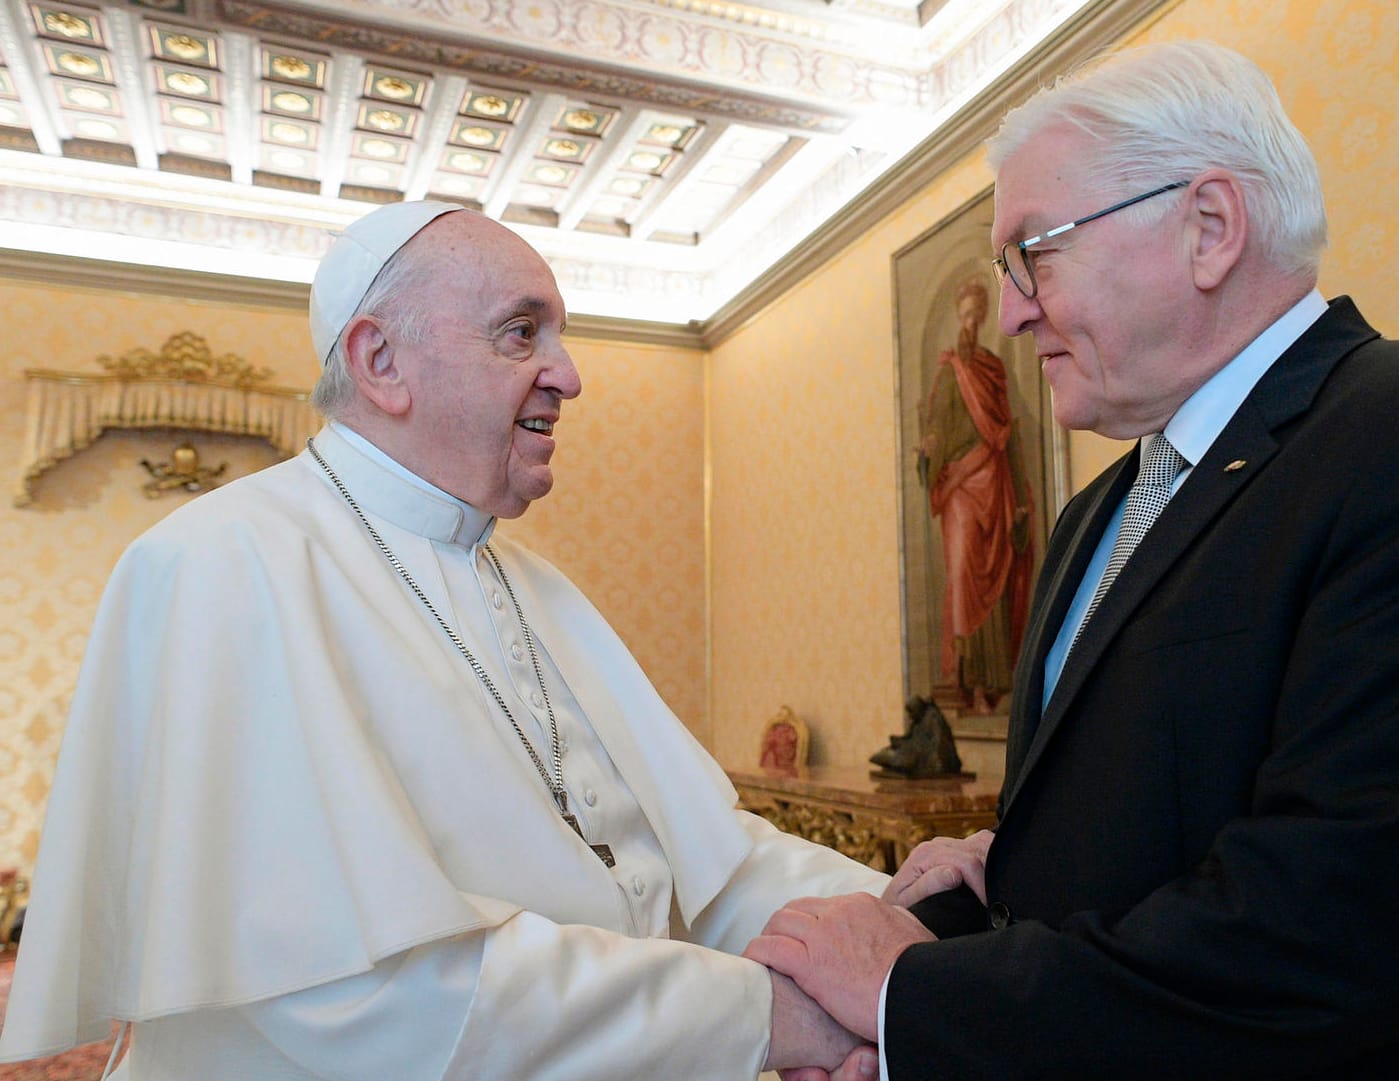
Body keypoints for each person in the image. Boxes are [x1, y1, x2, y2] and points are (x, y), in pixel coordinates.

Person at [747, 40, 1399, 1080]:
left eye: (1037, 251)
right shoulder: (1094, 516)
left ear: (1208, 228)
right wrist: (964, 896)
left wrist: (908, 997)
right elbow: (1134, 832)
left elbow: (1333, 931)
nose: (1015, 309)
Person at [0, 201, 901, 1080]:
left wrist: (906, 925)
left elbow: (707, 864)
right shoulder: (219, 564)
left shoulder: (537, 585)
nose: (569, 375)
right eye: (521, 333)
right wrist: (772, 1016)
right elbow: (357, 996)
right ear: (380, 360)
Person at [916, 278, 1034, 715]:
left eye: (976, 317)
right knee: (965, 575)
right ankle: (964, 679)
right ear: (956, 317)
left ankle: (993, 681)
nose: (970, 324)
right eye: (964, 316)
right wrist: (930, 449)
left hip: (995, 479)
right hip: (962, 487)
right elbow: (938, 431)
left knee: (997, 576)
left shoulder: (993, 369)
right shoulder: (950, 370)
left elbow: (1008, 429)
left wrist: (1021, 493)